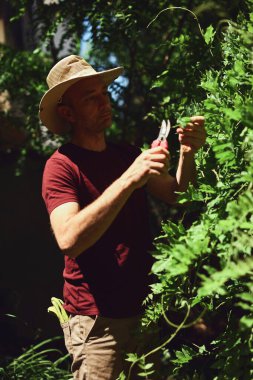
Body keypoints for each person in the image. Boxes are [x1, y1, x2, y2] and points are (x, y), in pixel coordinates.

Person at [40, 55, 206, 380]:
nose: (105, 102)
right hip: (97, 322)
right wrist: (131, 178)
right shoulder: (61, 166)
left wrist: (188, 153)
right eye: (91, 97)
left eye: (104, 92)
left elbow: (176, 195)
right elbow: (68, 239)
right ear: (67, 113)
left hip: (143, 313)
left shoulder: (127, 154)